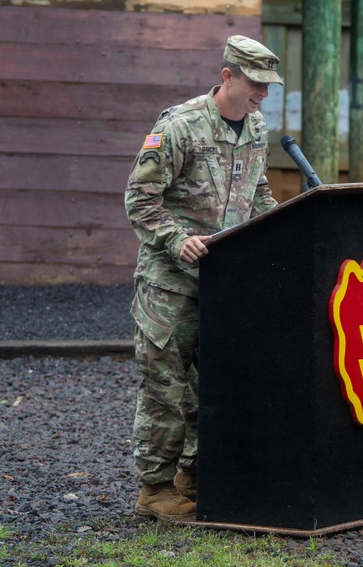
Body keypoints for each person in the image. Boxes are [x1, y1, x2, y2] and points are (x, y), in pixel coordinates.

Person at [124, 35, 282, 520]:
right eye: (255, 83)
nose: (263, 94)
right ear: (228, 76)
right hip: (170, 284)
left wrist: (283, 234)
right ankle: (154, 491)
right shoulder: (179, 126)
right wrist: (176, 238)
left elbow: (258, 196)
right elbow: (139, 199)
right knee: (167, 388)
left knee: (213, 387)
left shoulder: (254, 127)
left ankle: (193, 478)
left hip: (225, 284)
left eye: (268, 85)